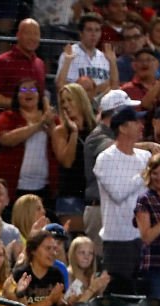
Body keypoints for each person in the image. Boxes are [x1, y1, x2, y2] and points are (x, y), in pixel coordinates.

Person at [94, 105, 151, 294]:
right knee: (119, 299)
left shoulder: (145, 156)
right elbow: (118, 193)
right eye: (136, 122)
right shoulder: (106, 159)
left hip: (145, 237)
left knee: (143, 297)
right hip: (118, 240)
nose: (141, 125)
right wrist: (145, 173)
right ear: (123, 128)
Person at [0, 78, 59, 204]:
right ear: (17, 96)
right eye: (23, 89)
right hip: (13, 187)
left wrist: (49, 122)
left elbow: (60, 143)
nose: (28, 92)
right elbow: (5, 139)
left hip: (45, 188)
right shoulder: (8, 117)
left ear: (40, 95)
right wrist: (39, 125)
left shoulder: (51, 119)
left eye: (33, 89)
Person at [0, 19, 46, 146]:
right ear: (18, 35)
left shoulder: (40, 64)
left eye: (36, 34)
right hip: (5, 132)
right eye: (28, 33)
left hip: (33, 136)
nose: (32, 37)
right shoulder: (1, 62)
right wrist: (18, 103)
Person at [52, 83, 96, 234]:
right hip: (70, 196)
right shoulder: (61, 131)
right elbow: (66, 162)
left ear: (81, 100)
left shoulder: (96, 129)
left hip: (93, 197)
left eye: (70, 100)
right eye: (63, 102)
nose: (66, 105)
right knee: (76, 242)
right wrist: (74, 133)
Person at [8, 229, 73, 306]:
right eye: (48, 248)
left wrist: (68, 304)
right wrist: (50, 300)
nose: (53, 253)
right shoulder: (20, 275)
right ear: (33, 250)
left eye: (54, 249)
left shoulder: (56, 274)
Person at [56, 13, 116, 100]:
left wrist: (113, 62)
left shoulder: (105, 57)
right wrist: (98, 88)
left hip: (101, 106)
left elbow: (114, 87)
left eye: (97, 30)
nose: (93, 34)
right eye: (89, 30)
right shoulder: (70, 54)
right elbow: (61, 87)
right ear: (81, 33)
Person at [134, 152, 160, 299]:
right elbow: (146, 237)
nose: (159, 178)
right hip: (157, 267)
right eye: (155, 173)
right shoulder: (145, 200)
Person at [66, 235, 111, 304]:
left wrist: (100, 290)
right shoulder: (67, 275)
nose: (86, 257)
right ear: (73, 254)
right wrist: (92, 289)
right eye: (82, 252)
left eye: (90, 253)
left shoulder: (92, 277)